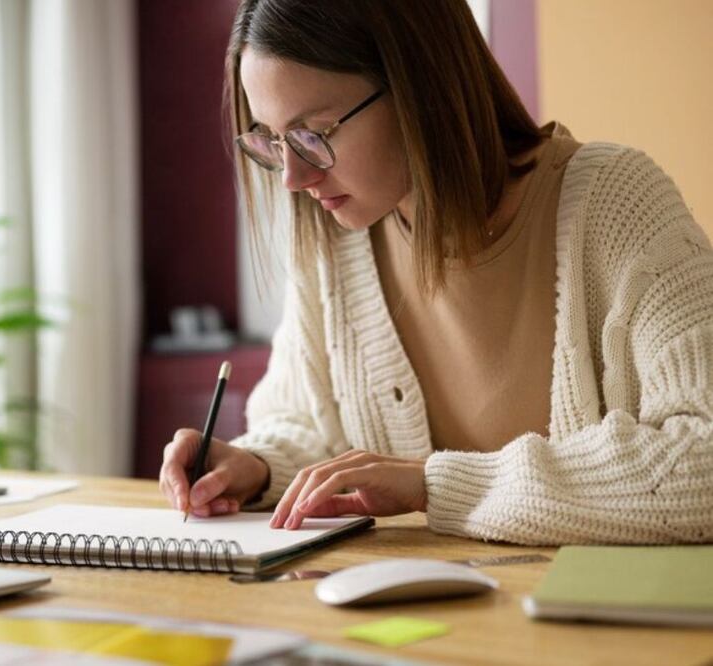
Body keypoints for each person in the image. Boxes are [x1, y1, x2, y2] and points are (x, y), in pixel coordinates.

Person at [158, 0, 713, 545]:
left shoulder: (618, 204)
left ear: (420, 86)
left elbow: (703, 460)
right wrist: (255, 463)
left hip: (594, 626)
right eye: (273, 142)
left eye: (314, 135)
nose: (293, 179)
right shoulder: (336, 238)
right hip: (416, 624)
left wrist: (435, 484)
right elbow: (309, 425)